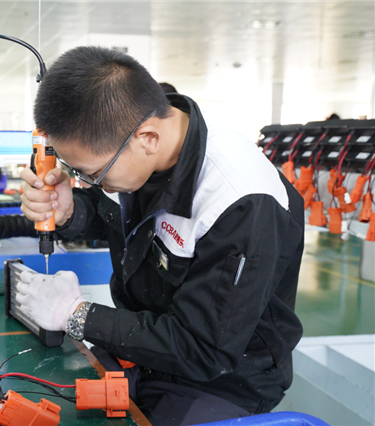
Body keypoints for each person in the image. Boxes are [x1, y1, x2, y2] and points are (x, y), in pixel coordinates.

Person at [17, 46, 305, 426]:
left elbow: (204, 349)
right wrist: (71, 211)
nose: (89, 182)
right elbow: (117, 217)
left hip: (220, 381)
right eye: (79, 173)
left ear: (148, 138)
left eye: (94, 173)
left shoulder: (240, 200)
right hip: (143, 351)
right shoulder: (141, 147)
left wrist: (76, 315)